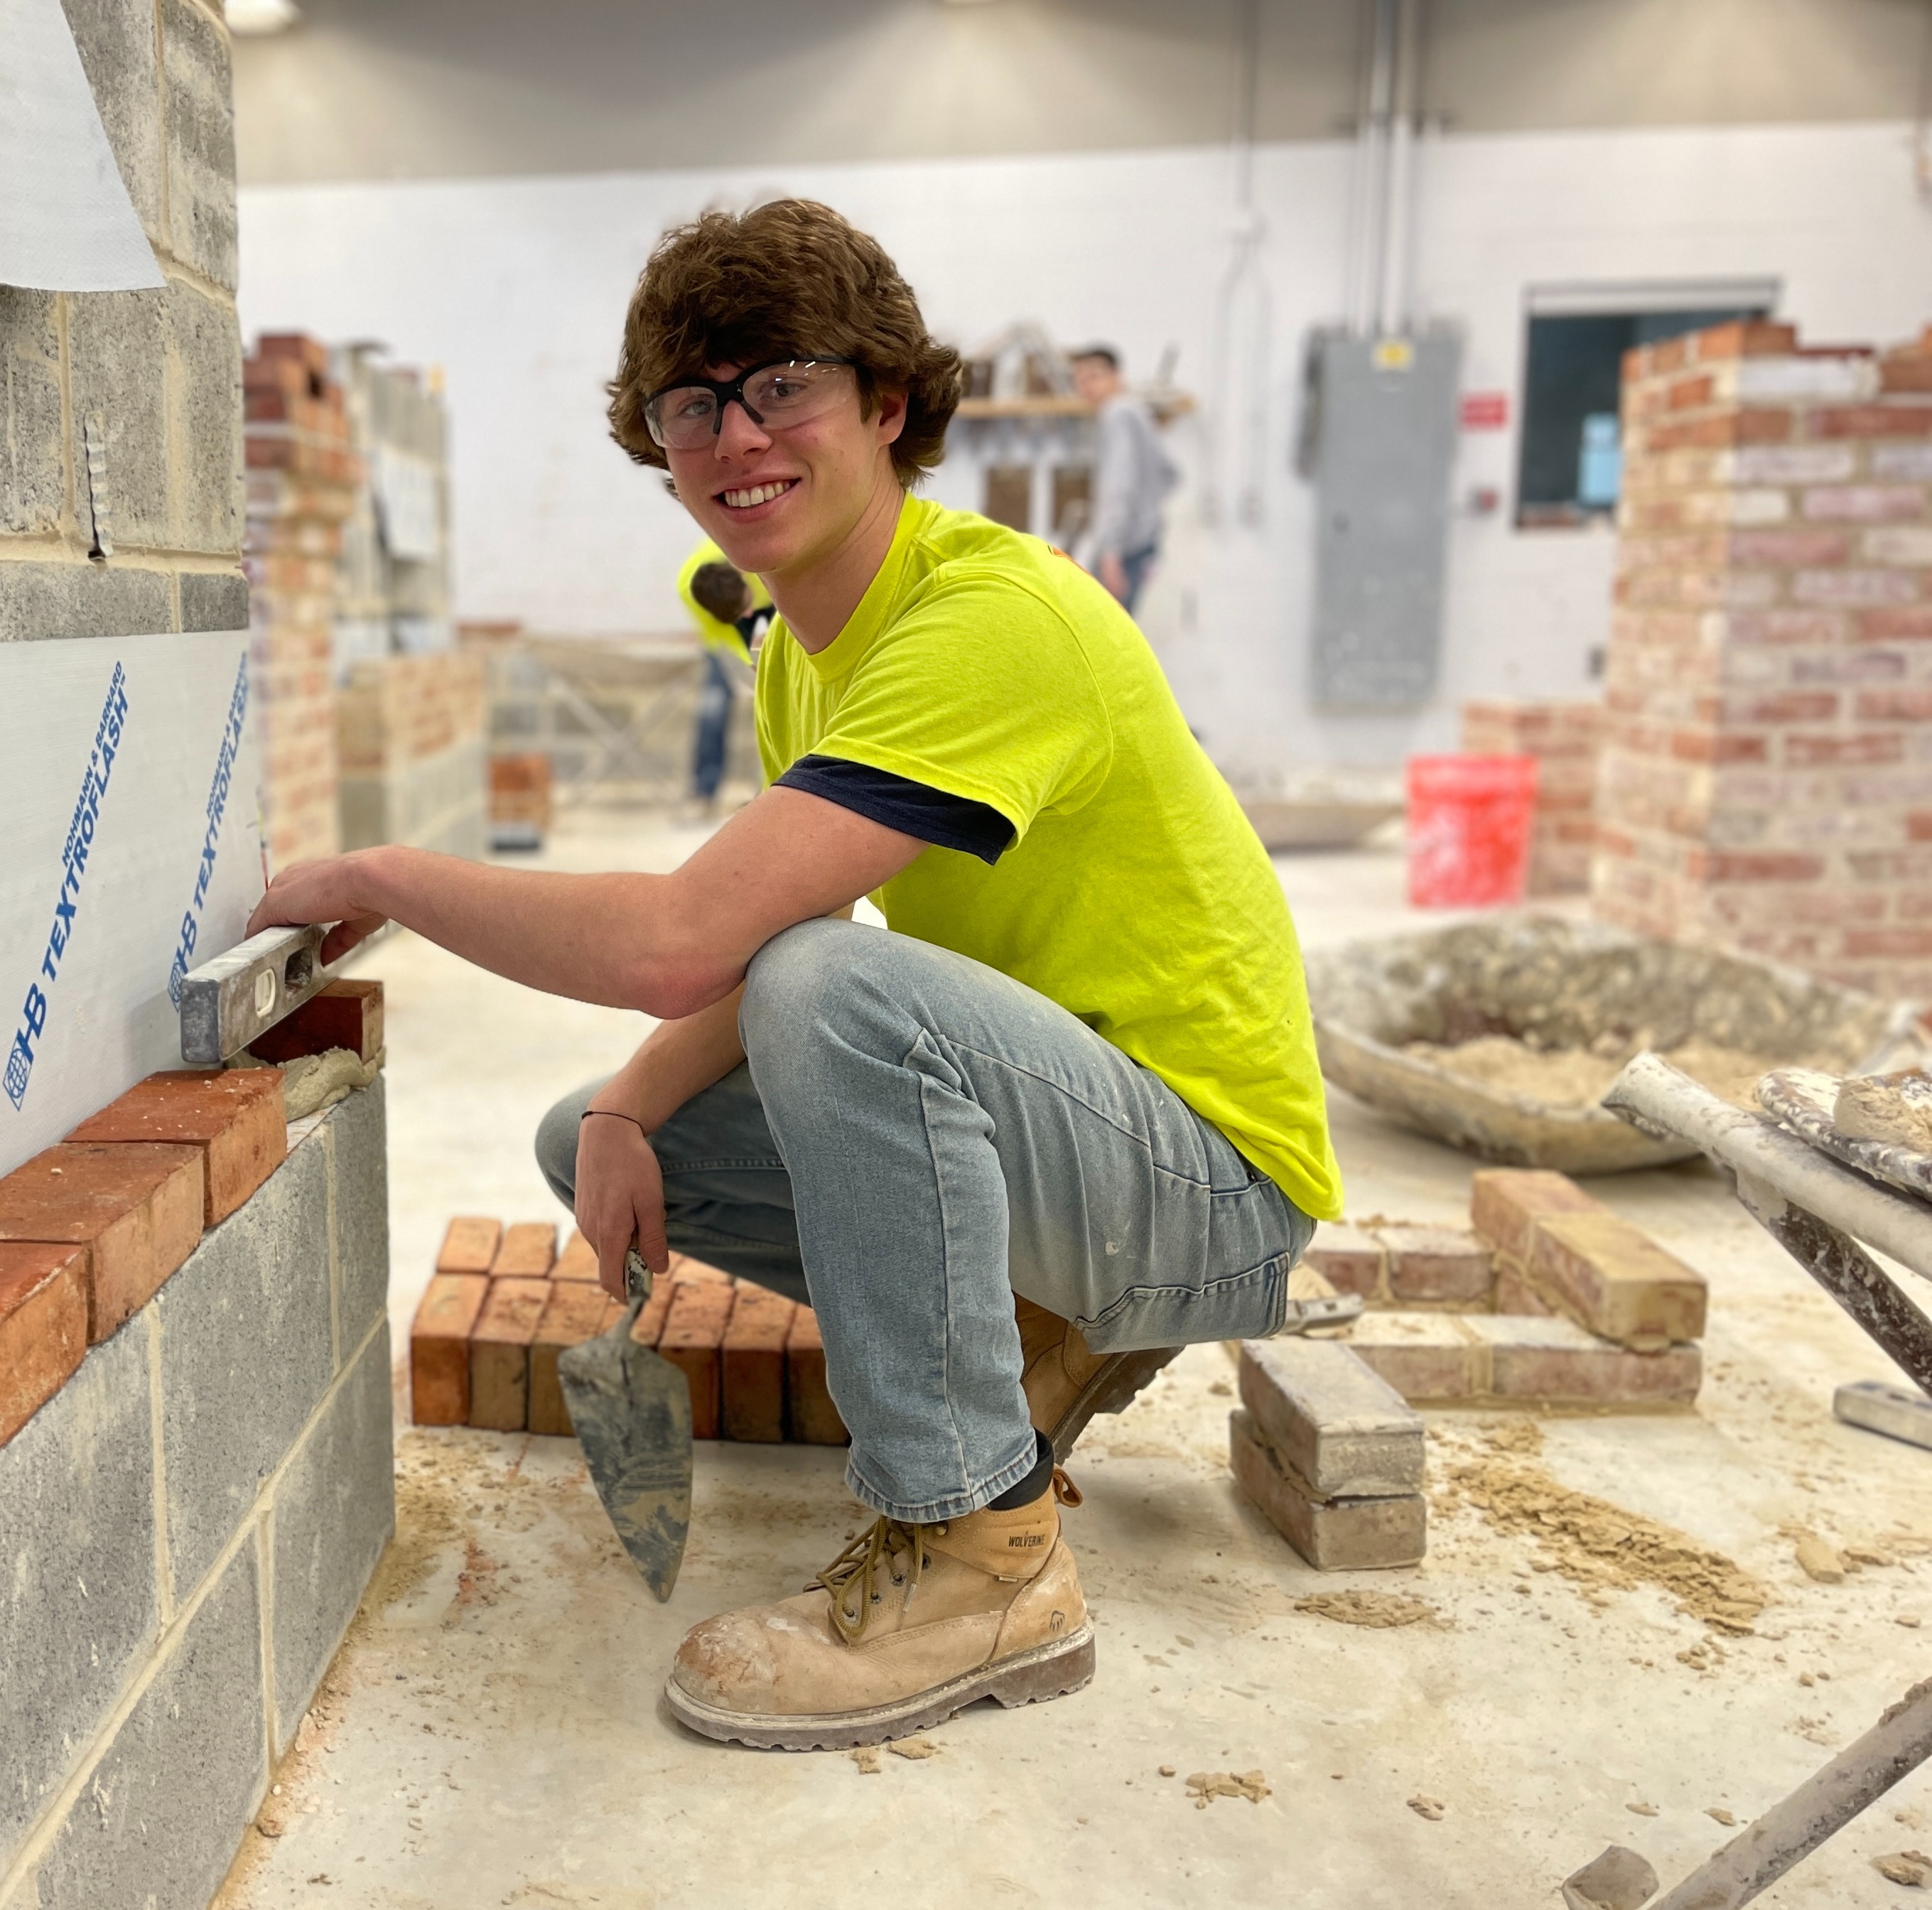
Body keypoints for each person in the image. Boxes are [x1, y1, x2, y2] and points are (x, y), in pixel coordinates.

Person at [244, 199, 1337, 1752]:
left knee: (829, 988)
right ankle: (1042, 1324)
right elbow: (732, 949)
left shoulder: (991, 618)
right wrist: (626, 1112)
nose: (734, 436)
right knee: (602, 1129)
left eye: (782, 388)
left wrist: (378, 876)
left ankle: (982, 1560)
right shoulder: (799, 648)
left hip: (1211, 1180)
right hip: (1093, 1150)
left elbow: (690, 940)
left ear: (888, 406)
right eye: (693, 404)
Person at [1069, 345, 1177, 614]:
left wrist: (1111, 551)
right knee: (1116, 637)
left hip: (1124, 549)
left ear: (1117, 376)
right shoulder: (1135, 413)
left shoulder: (1117, 414)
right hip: (1142, 542)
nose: (1086, 386)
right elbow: (1170, 474)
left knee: (1100, 642)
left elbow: (1119, 484)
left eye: (1094, 376)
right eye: (1080, 379)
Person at [678, 542, 770, 816]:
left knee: (773, 705)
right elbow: (721, 639)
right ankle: (704, 792)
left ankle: (769, 789)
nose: (746, 615)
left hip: (770, 607)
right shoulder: (690, 591)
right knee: (713, 709)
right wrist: (750, 664)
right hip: (723, 637)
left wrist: (769, 664)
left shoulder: (756, 558)